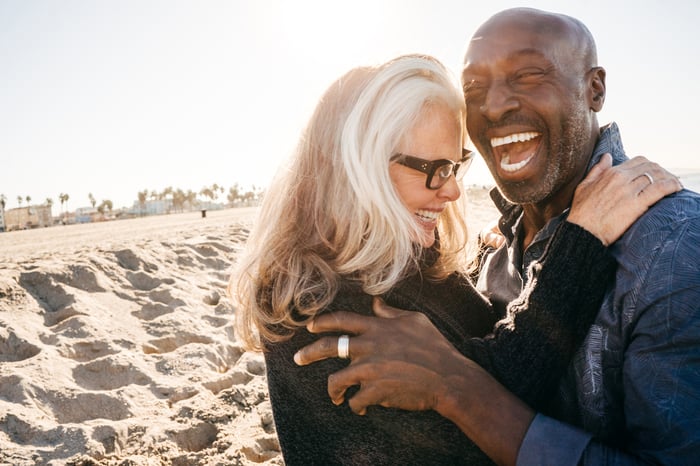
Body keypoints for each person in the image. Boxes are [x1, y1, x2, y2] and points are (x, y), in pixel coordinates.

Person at [294, 7, 699, 466]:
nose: (493, 105)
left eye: (528, 75)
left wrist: (456, 386)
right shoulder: (489, 253)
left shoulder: (672, 246)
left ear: (595, 88)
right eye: (473, 88)